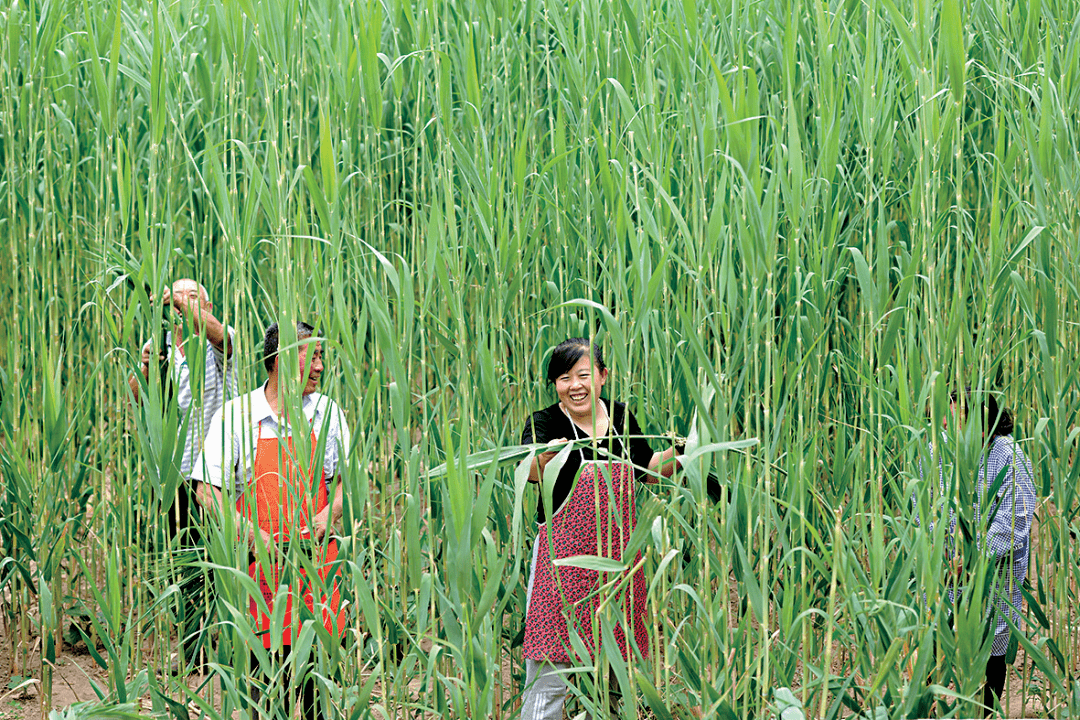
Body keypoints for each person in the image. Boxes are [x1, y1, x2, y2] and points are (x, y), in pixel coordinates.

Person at [191, 321, 350, 720]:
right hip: (262, 573)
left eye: (320, 357)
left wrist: (327, 515)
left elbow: (348, 483)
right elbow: (207, 491)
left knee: (320, 686)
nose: (318, 366)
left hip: (319, 567)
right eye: (310, 355)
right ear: (280, 359)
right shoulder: (237, 415)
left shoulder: (328, 413)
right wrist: (255, 536)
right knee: (267, 690)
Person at [518, 338, 680, 720]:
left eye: (583, 375)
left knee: (614, 672)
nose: (574, 385)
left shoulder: (620, 417)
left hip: (620, 562)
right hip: (560, 568)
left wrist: (685, 448)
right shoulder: (545, 422)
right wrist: (547, 454)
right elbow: (531, 471)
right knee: (550, 669)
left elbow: (648, 471)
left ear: (603, 377)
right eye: (562, 378)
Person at [919, 389, 1036, 716]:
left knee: (991, 644)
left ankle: (985, 713)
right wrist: (945, 551)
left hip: (996, 571)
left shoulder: (1008, 455)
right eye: (943, 417)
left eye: (955, 419)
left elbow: (1017, 518)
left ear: (984, 426)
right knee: (938, 638)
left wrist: (973, 555)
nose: (944, 424)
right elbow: (921, 507)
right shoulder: (936, 449)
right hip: (945, 567)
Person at [128, 279, 238, 482]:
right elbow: (133, 400)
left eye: (193, 297)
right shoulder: (158, 342)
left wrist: (179, 301)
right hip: (171, 473)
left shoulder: (218, 339)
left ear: (208, 307)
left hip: (216, 473)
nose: (182, 302)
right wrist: (146, 366)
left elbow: (222, 339)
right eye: (176, 296)